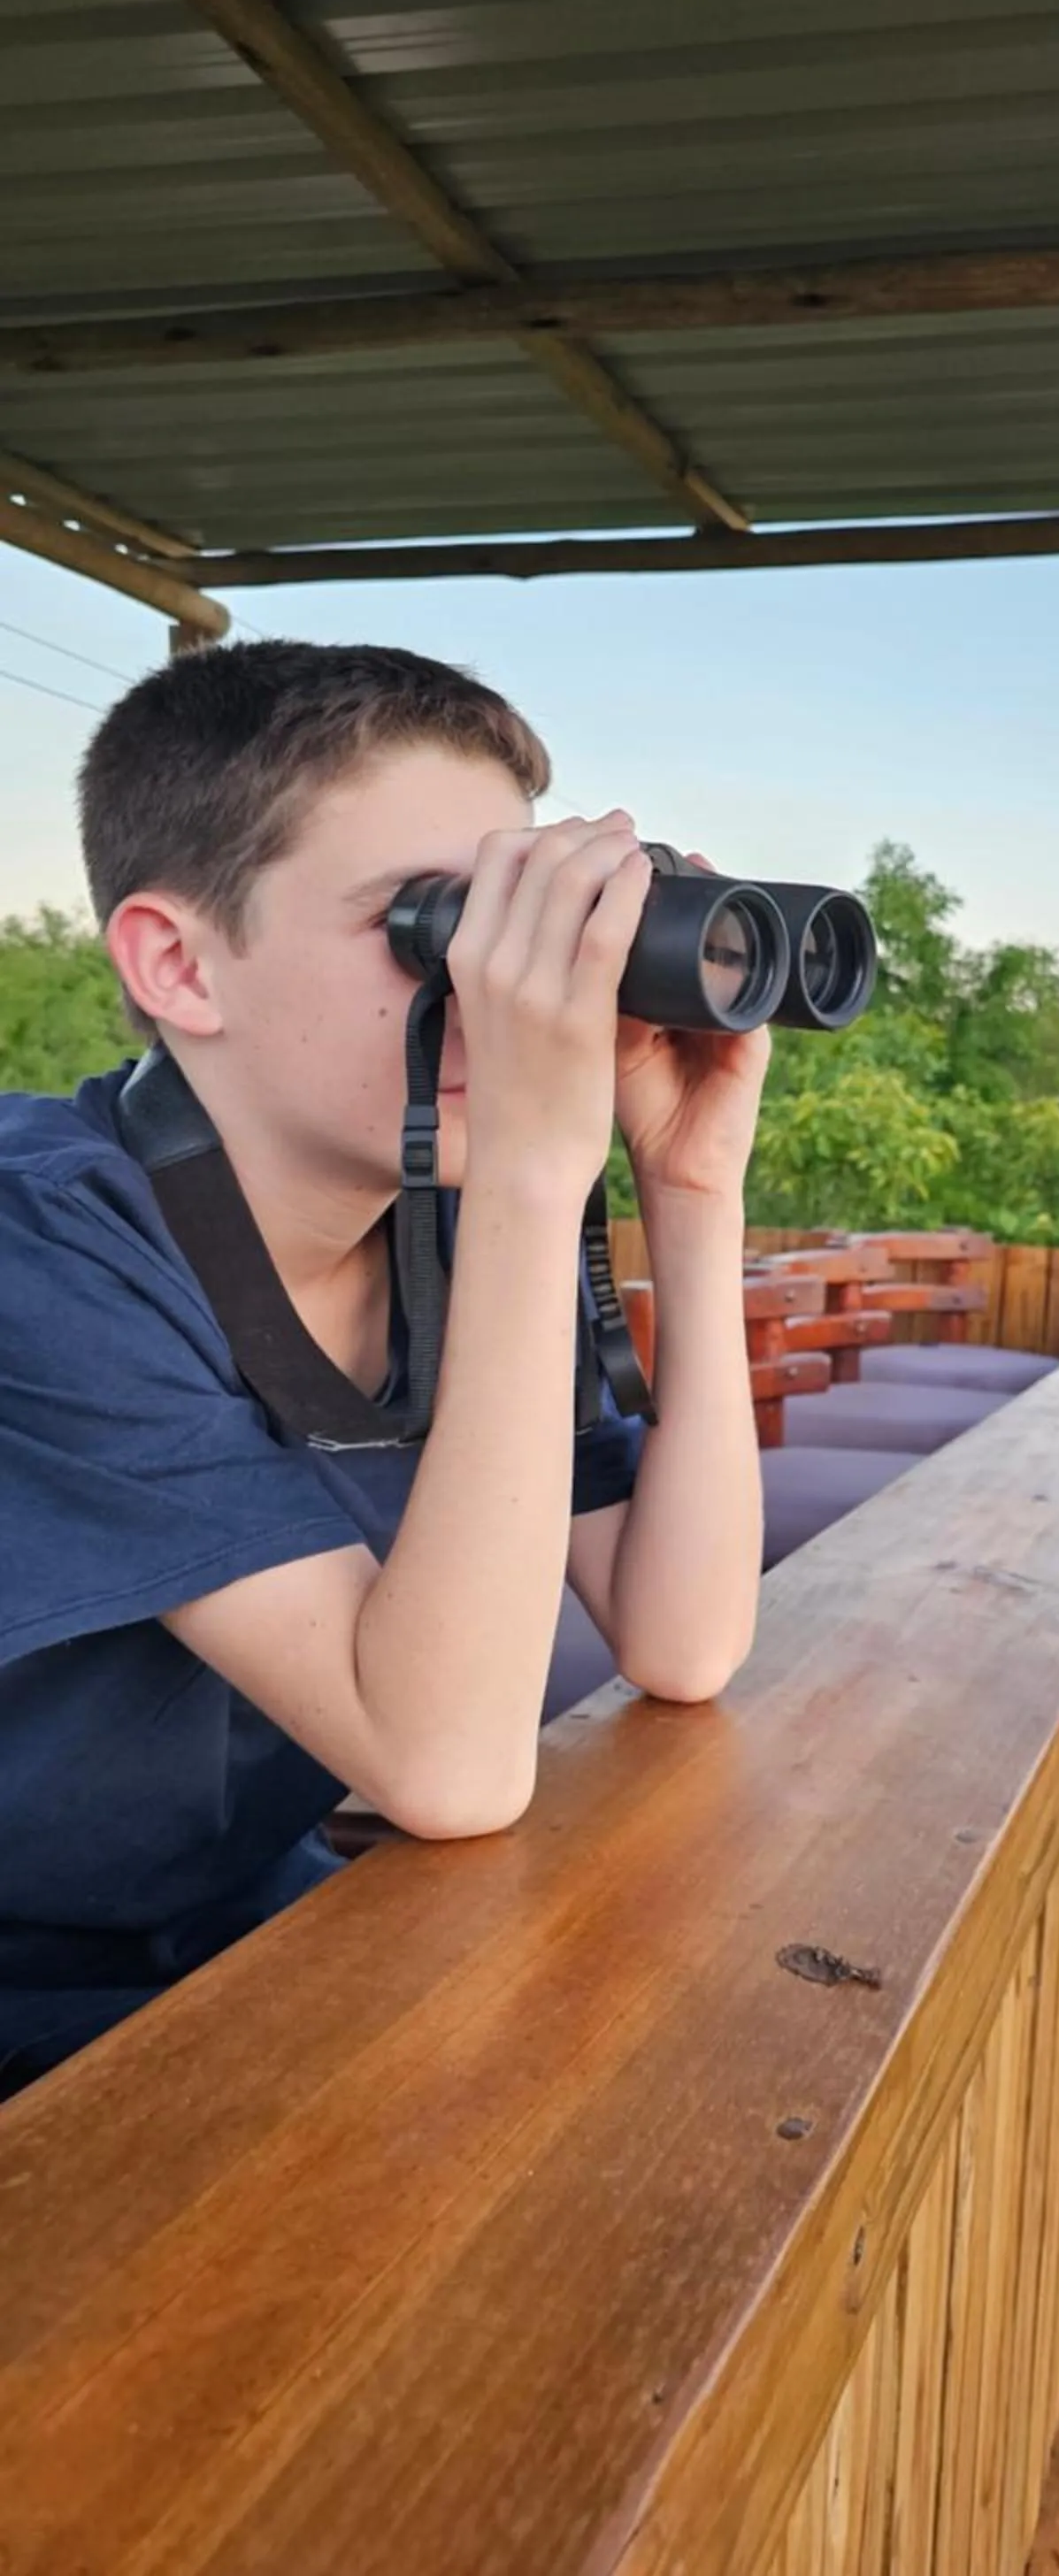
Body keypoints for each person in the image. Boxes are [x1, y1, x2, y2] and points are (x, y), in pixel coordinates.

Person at [0, 640, 767, 2097]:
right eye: (431, 926)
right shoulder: (40, 1247)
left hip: (230, 1936)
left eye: (517, 924)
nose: (501, 987)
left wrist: (691, 1186)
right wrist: (543, 1165)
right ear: (179, 964)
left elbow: (681, 1639)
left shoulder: (452, 1233)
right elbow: (446, 1766)